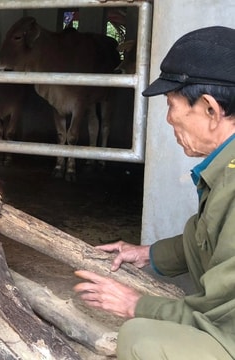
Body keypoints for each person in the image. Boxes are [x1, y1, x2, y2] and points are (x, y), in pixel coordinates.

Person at [73, 26, 235, 360]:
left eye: (172, 105)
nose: (168, 119)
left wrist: (136, 304)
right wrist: (147, 253)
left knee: (142, 337)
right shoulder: (225, 170)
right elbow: (205, 237)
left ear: (210, 109)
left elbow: (224, 319)